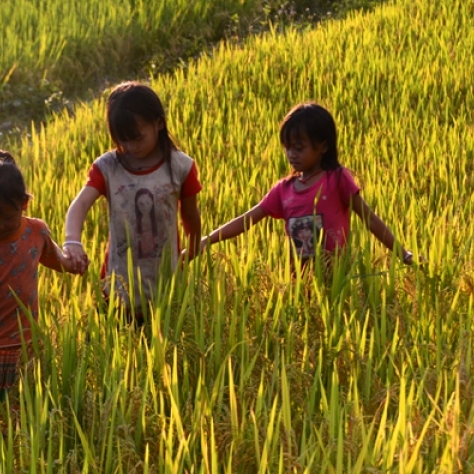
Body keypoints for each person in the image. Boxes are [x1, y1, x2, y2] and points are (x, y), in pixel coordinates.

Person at [197, 103, 413, 268]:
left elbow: (370, 219)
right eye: (287, 148)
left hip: (336, 280)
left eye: (299, 148)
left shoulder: (337, 179)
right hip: (299, 283)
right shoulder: (284, 190)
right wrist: (206, 240)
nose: (291, 154)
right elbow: (247, 219)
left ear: (323, 146)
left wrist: (404, 255)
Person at [63, 82, 203, 318]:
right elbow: (80, 204)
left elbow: (190, 215)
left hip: (166, 287)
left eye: (137, 139)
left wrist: (194, 249)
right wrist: (72, 241)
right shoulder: (108, 167)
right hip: (118, 289)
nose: (129, 147)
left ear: (158, 123)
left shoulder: (180, 166)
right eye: (122, 140)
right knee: (115, 349)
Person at [0, 151, 75, 398]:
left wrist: (74, 263)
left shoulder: (36, 232)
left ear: (24, 203)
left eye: (7, 217)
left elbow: (60, 261)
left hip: (29, 347)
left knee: (29, 410)